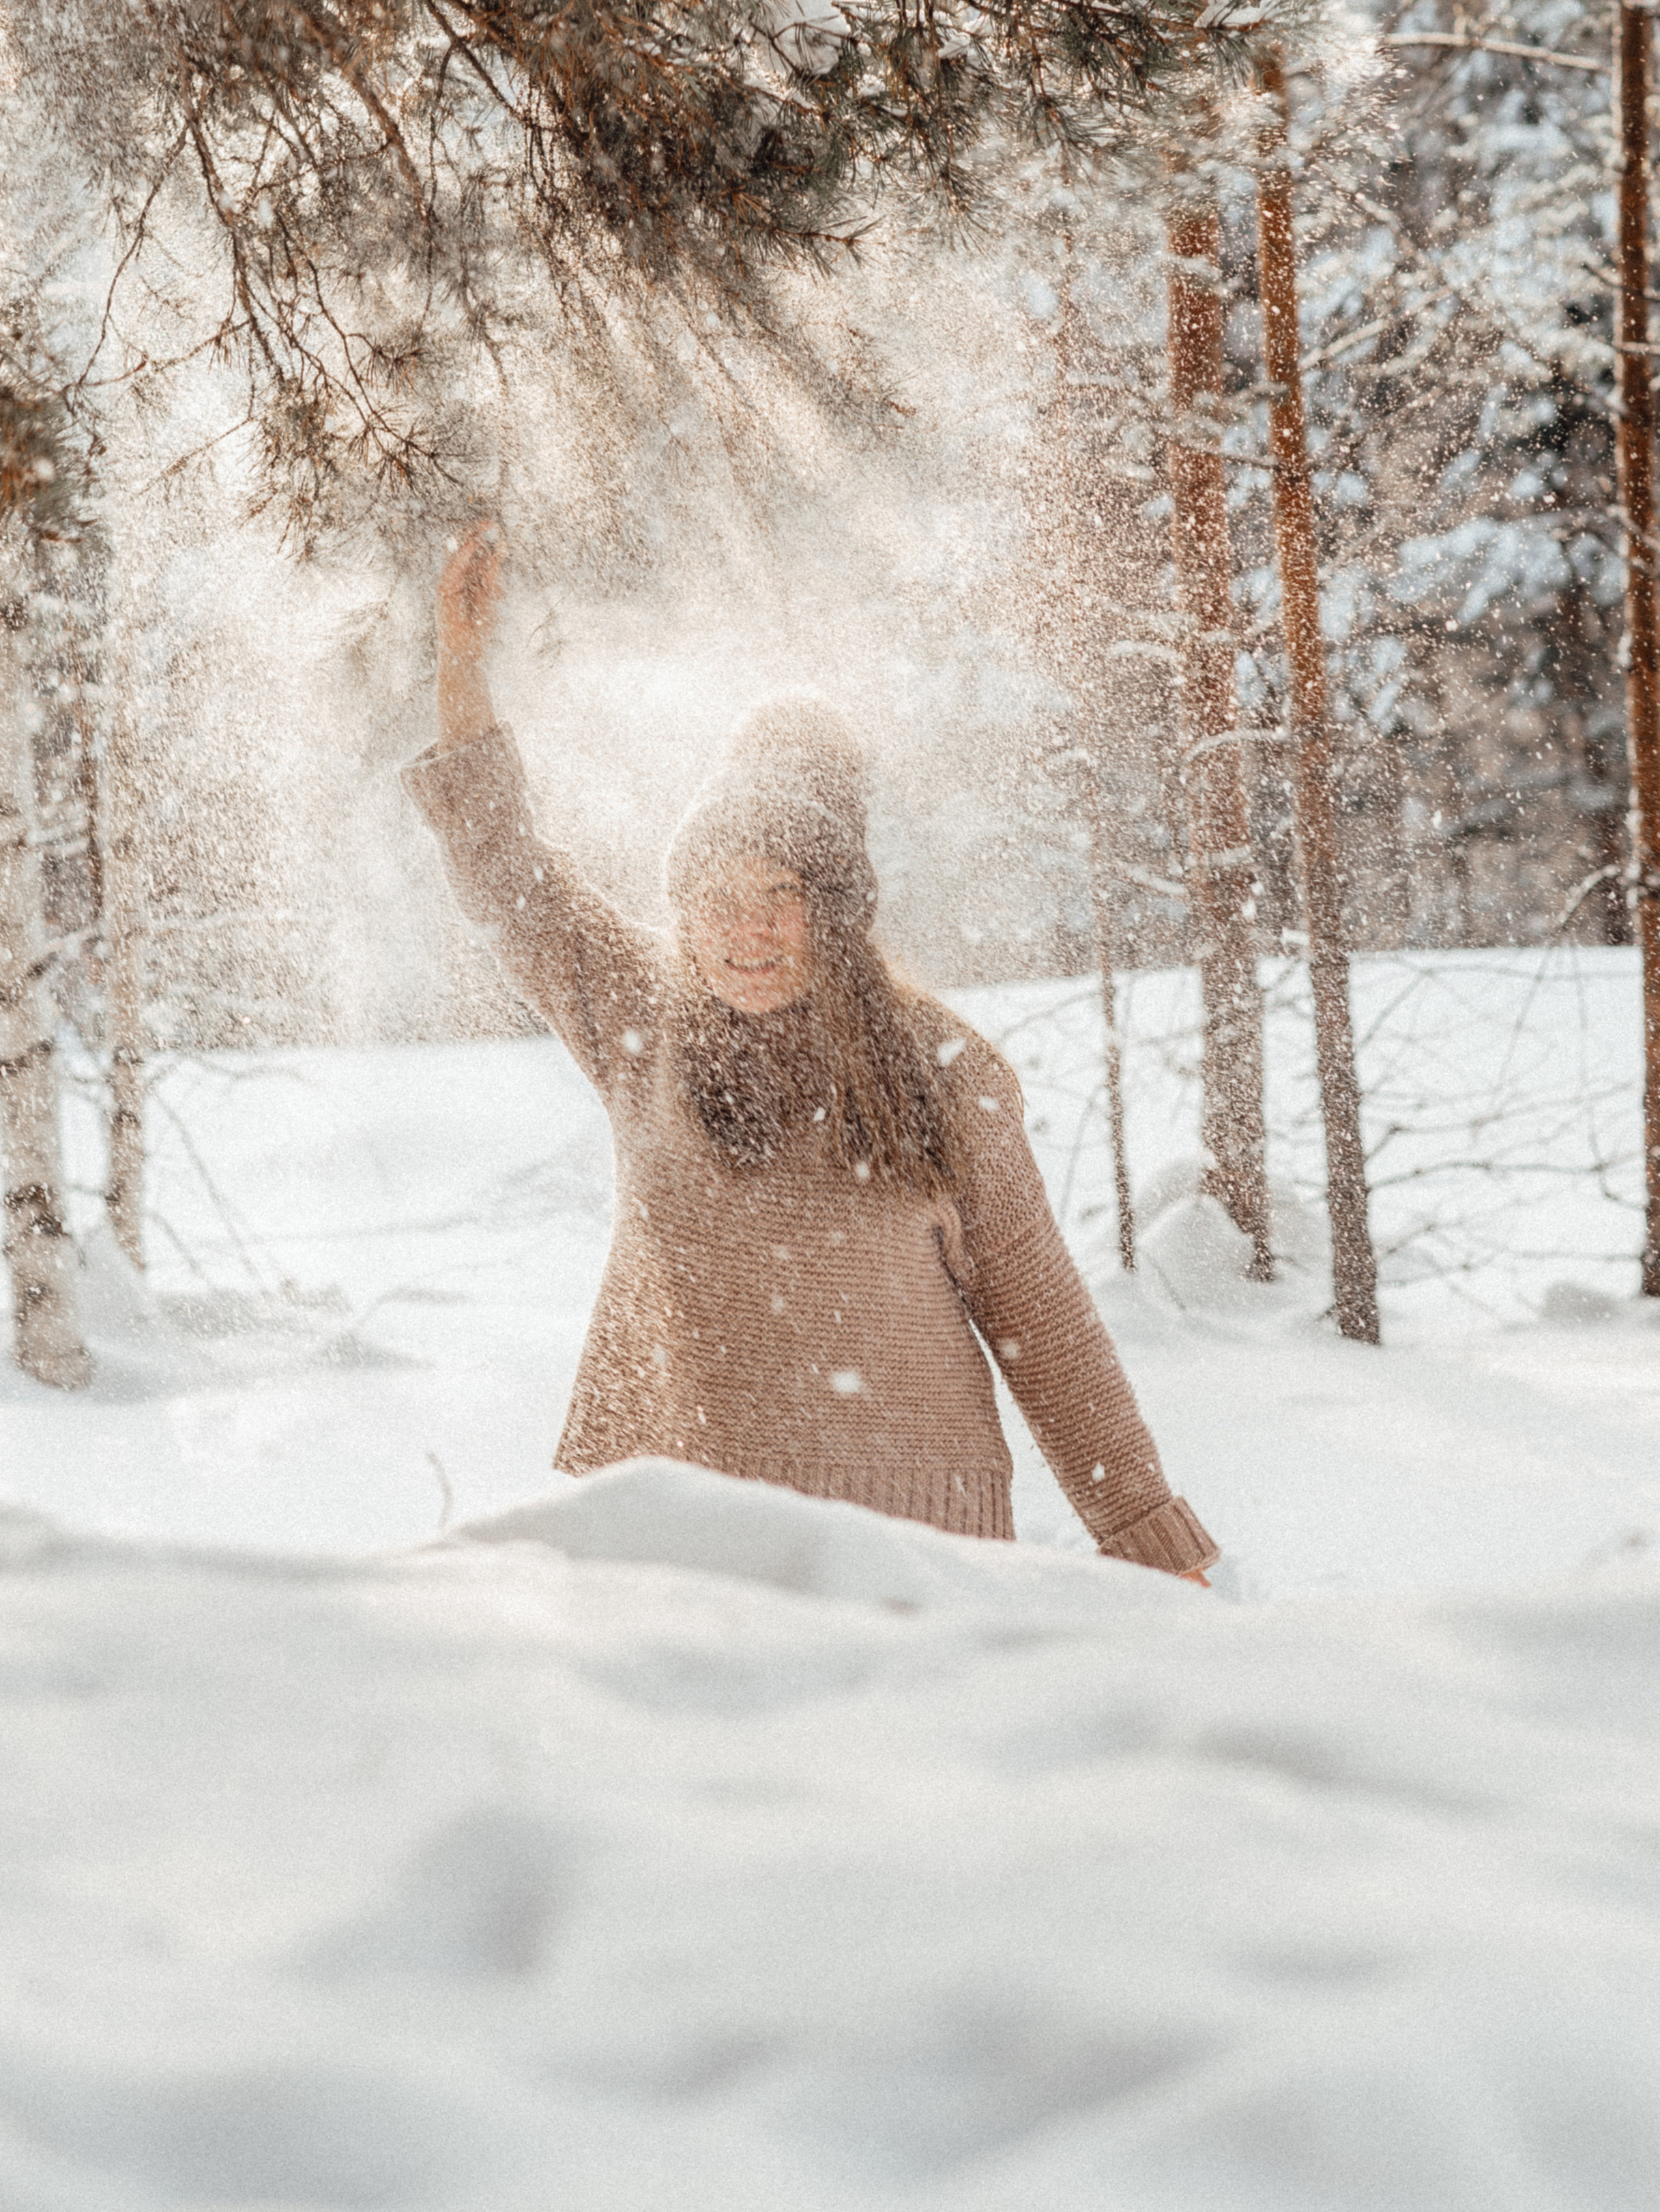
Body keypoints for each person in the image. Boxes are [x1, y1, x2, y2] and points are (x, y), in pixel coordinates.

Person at [403, 525, 1220, 1581]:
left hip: (907, 1555)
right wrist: (461, 666)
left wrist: (1147, 1529)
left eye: (778, 895)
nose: (744, 931)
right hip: (670, 1540)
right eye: (716, 897)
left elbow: (1045, 1328)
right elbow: (503, 863)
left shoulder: (942, 1071)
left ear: (832, 909)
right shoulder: (640, 1013)